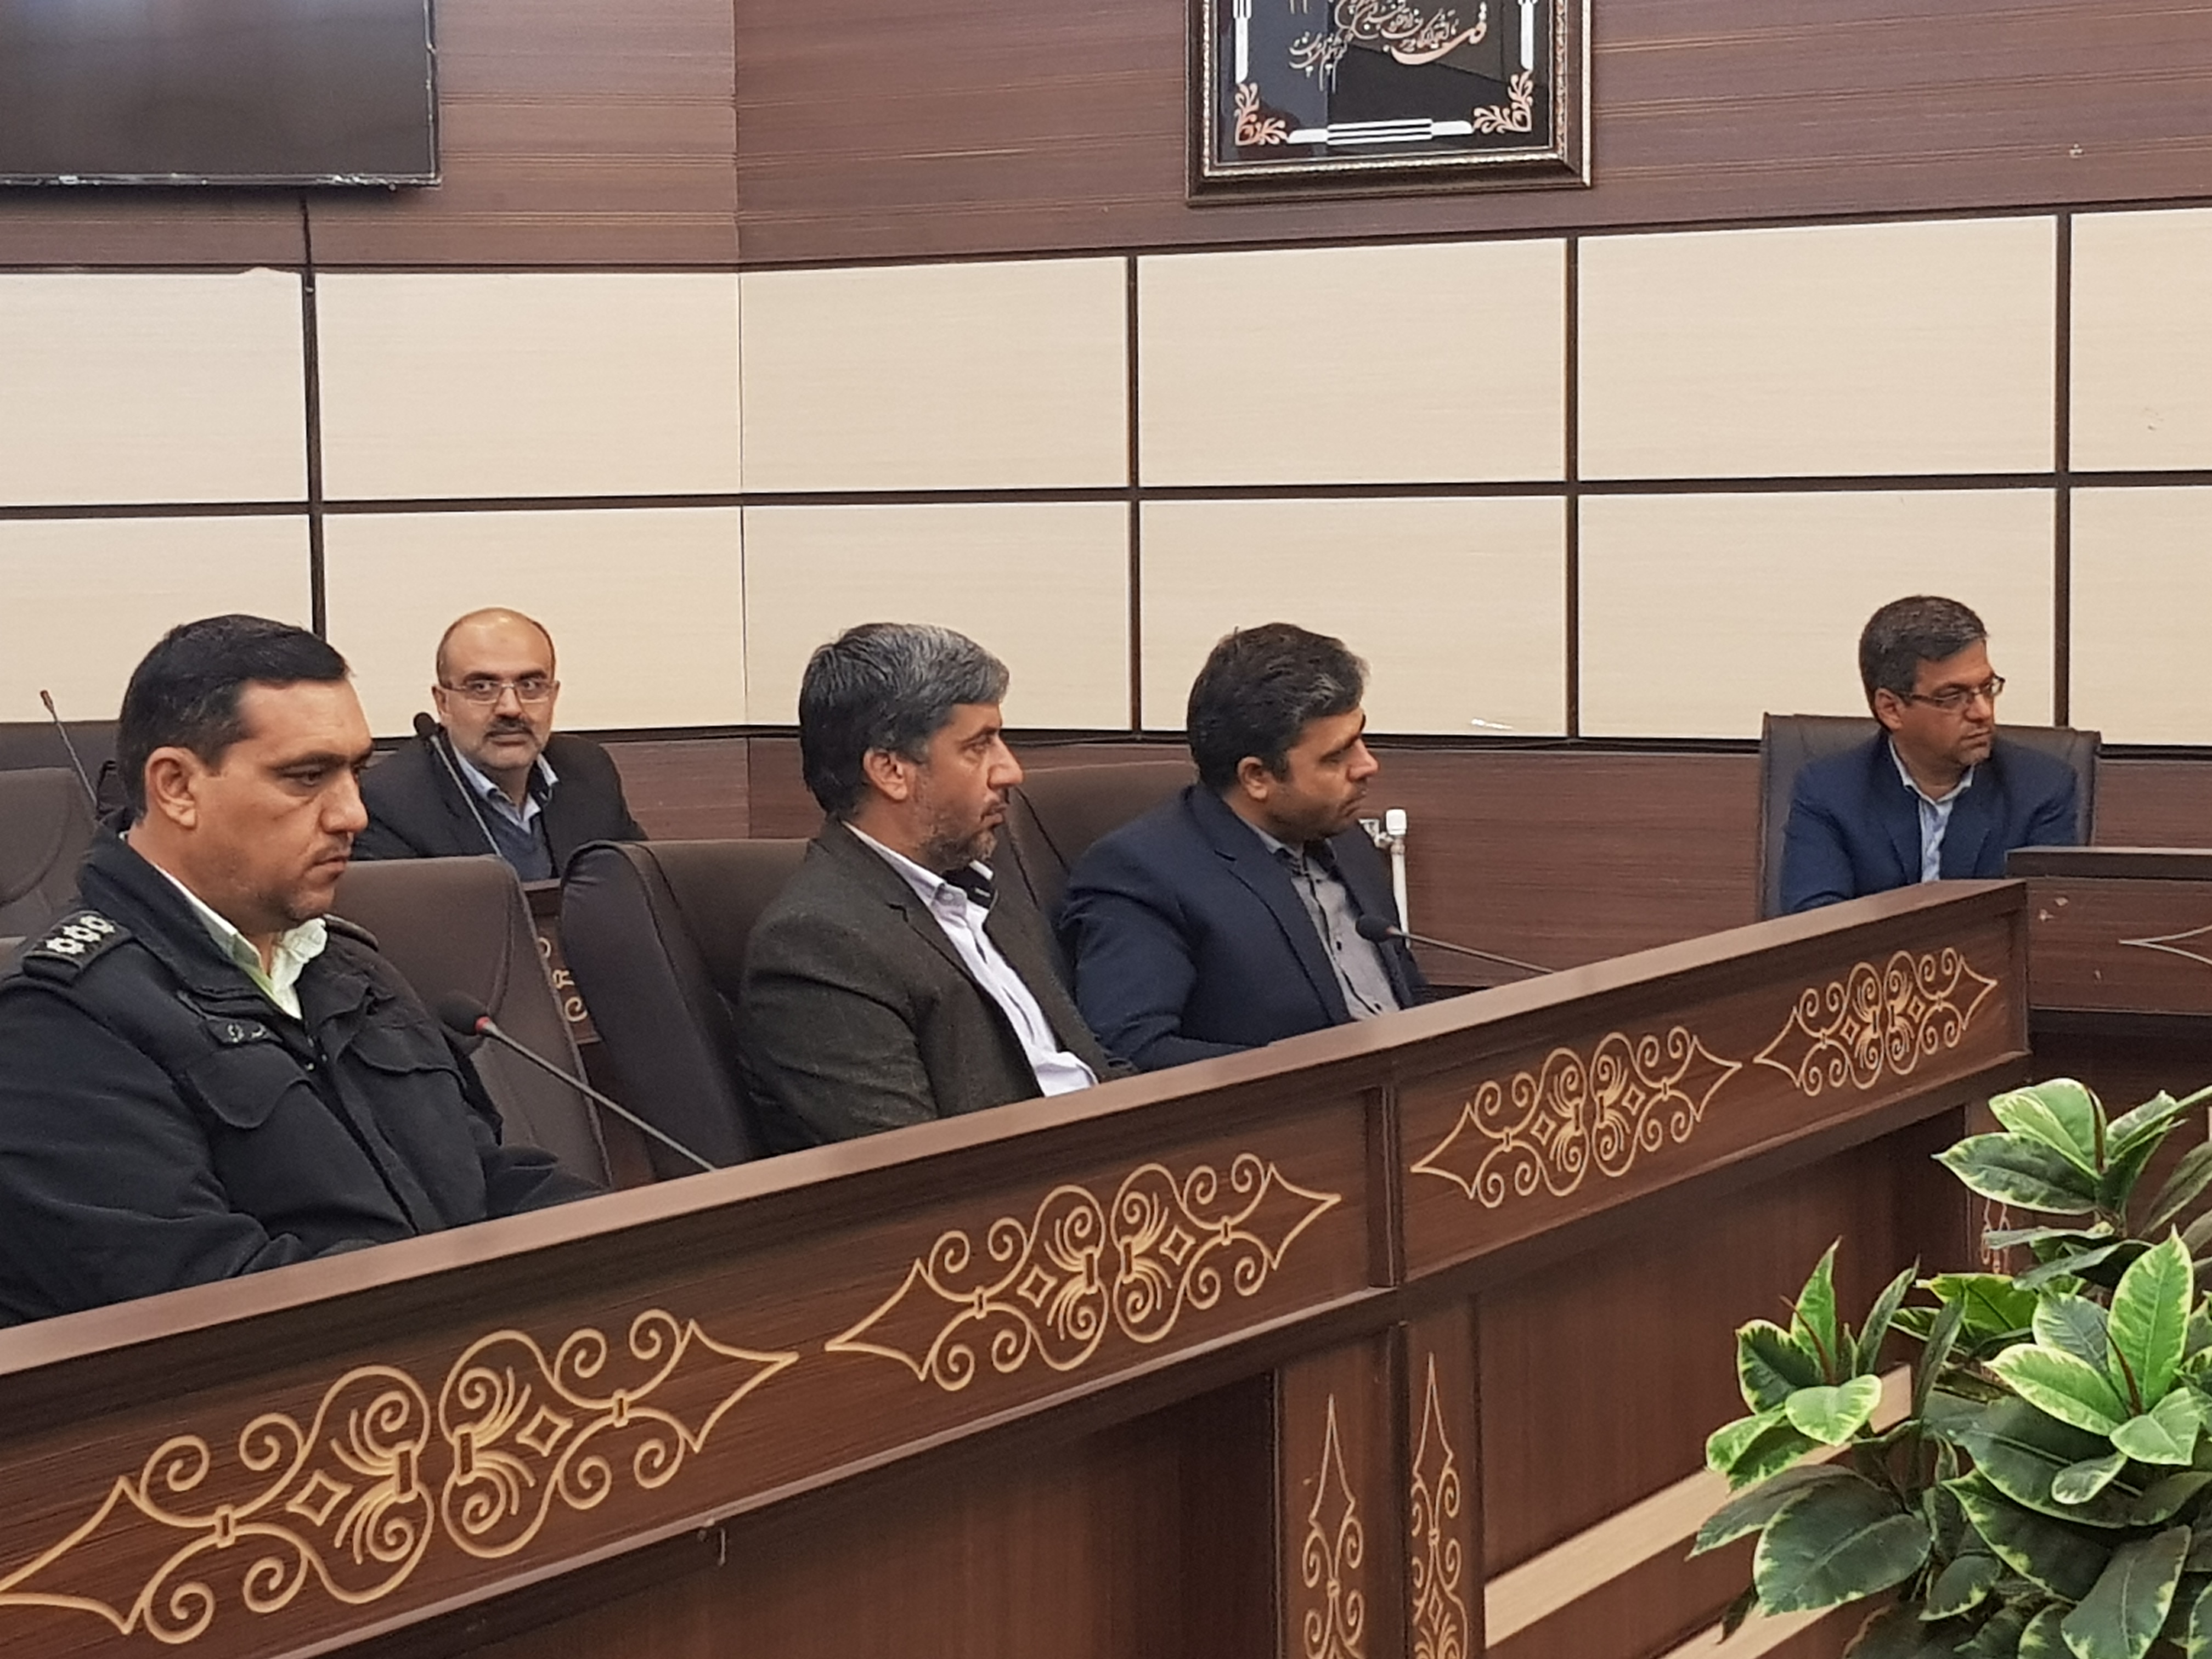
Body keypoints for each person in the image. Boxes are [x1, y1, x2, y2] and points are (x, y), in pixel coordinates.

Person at [0, 615, 597, 1327]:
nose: (352, 814)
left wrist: (642, 1252)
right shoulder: (57, 1021)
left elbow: (483, 1180)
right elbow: (206, 1308)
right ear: (177, 787)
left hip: (460, 1359)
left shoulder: (346, 965)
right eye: (307, 777)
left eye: (355, 773)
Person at [737, 623, 1118, 1149]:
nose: (1010, 771)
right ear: (891, 770)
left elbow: (1091, 1069)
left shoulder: (988, 892)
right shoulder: (816, 946)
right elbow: (916, 1169)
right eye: (978, 746)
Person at [1057, 623, 1425, 1073]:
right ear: (1257, 777)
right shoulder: (1141, 875)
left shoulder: (1345, 839)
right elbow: (1132, 1051)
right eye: (1336, 756)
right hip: (1291, 1111)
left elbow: (1407, 998)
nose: (1368, 765)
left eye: (1360, 739)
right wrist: (1318, 1078)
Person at [1780, 594, 2081, 913]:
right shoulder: (1829, 792)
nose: (1982, 712)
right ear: (1891, 709)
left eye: (1987, 688)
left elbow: (2047, 920)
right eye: (1952, 696)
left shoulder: (2041, 789)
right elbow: (1815, 923)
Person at [355, 607, 646, 879]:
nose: (511, 708)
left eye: (530, 686)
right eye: (482, 687)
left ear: (553, 695)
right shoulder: (387, 803)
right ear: (443, 703)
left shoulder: (588, 770)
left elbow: (642, 888)